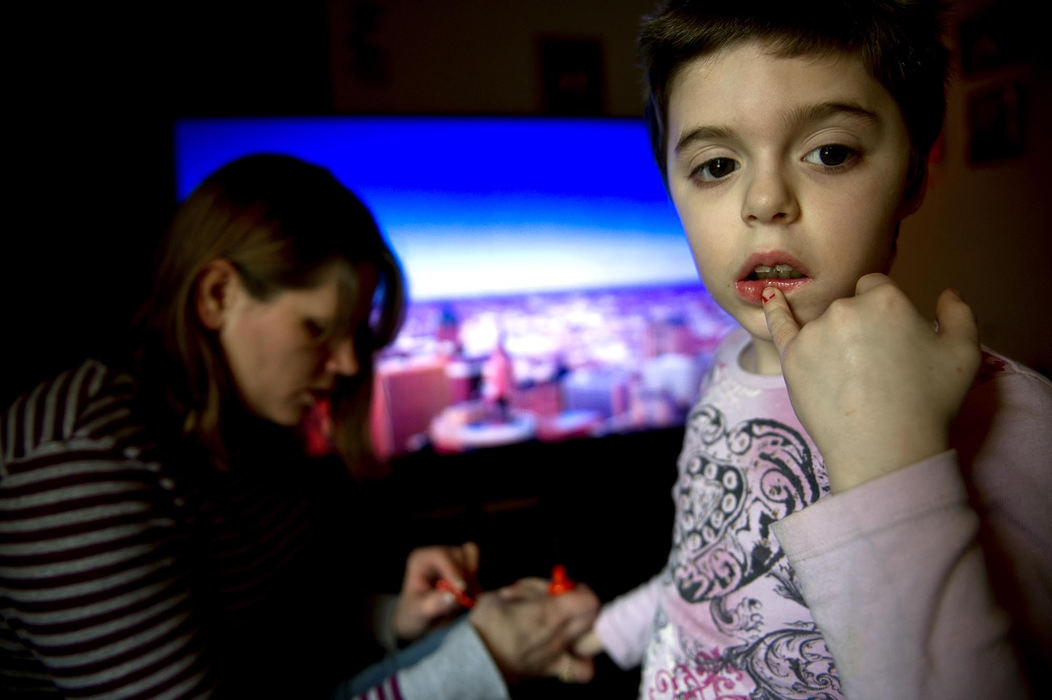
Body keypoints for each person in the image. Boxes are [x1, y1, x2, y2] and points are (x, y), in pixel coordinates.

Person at [573, 2, 1052, 698]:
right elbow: (714, 567)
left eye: (830, 152)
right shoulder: (725, 368)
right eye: (714, 165)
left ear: (915, 173)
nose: (764, 199)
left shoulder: (1016, 424)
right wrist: (602, 632)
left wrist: (898, 463)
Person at [0, 154, 599, 698]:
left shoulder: (247, 423)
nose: (344, 364)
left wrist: (392, 617)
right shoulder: (80, 467)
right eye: (316, 329)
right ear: (216, 295)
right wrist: (482, 662)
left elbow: (272, 625)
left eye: (353, 335)